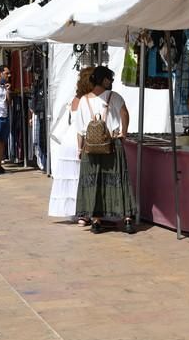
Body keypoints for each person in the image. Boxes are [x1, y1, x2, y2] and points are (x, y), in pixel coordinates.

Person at [75, 66, 136, 234]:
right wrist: (124, 132)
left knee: (94, 182)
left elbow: (80, 129)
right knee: (119, 180)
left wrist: (79, 148)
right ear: (104, 80)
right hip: (112, 143)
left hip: (90, 147)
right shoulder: (113, 97)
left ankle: (96, 221)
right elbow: (124, 113)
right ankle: (127, 218)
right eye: (110, 78)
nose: (111, 82)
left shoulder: (83, 100)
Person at [48, 67, 95, 223]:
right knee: (82, 177)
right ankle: (84, 213)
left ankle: (75, 211)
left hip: (68, 139)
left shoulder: (75, 99)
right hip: (80, 138)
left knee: (72, 177)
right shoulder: (89, 100)